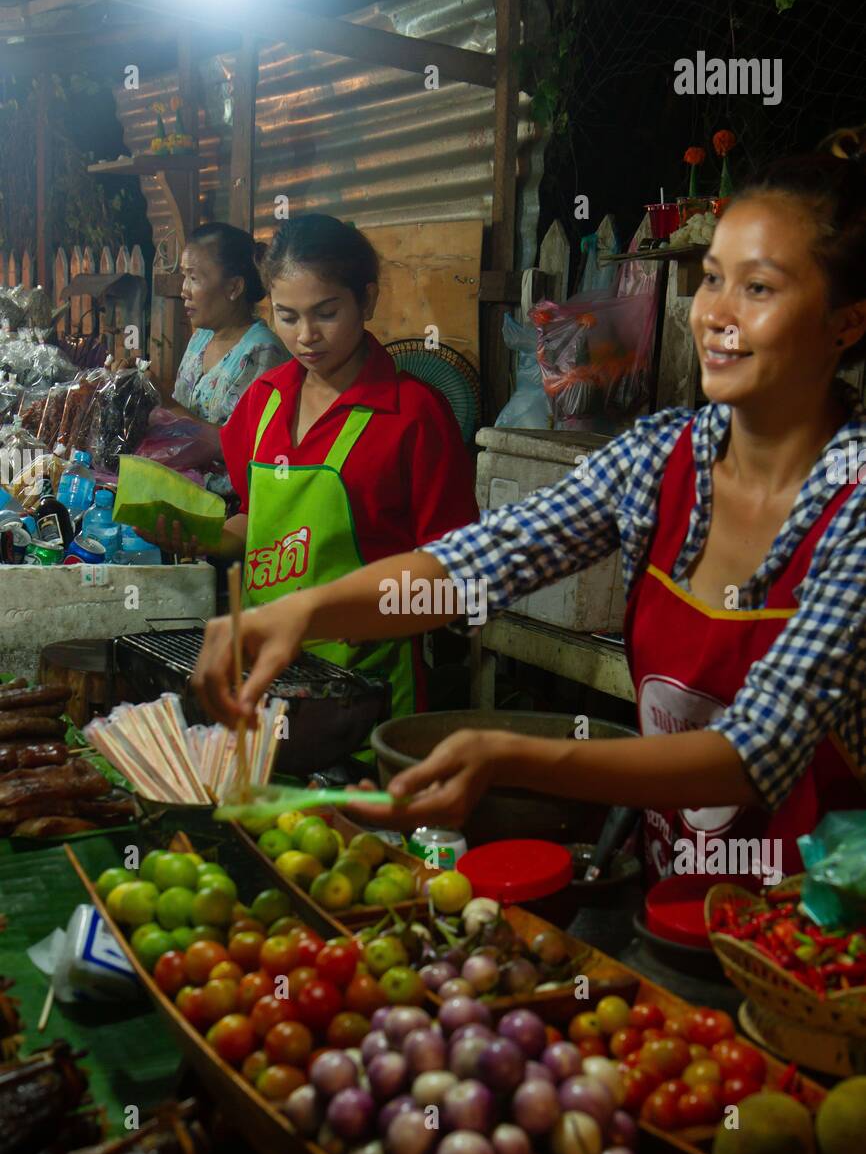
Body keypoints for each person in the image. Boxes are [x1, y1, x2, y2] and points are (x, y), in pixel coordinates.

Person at [193, 152, 866, 883]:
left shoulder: (853, 505)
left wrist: (513, 756)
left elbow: (756, 751)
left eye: (758, 287)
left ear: (846, 323)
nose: (715, 315)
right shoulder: (662, 458)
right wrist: (302, 613)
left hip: (822, 930)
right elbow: (479, 562)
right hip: (678, 894)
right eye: (712, 279)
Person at [174, 213, 477, 720]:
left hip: (370, 696)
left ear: (368, 300)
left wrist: (377, 613)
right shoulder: (262, 402)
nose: (307, 336)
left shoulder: (414, 416)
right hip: (266, 687)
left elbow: (460, 584)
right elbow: (259, 523)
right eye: (287, 317)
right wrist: (202, 535)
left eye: (327, 312)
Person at [168, 222, 288, 493]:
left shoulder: (261, 352)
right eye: (184, 277)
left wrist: (164, 401)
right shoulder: (201, 338)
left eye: (194, 278)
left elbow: (241, 447)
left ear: (234, 287)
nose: (184, 290)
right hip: (184, 489)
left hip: (231, 509)